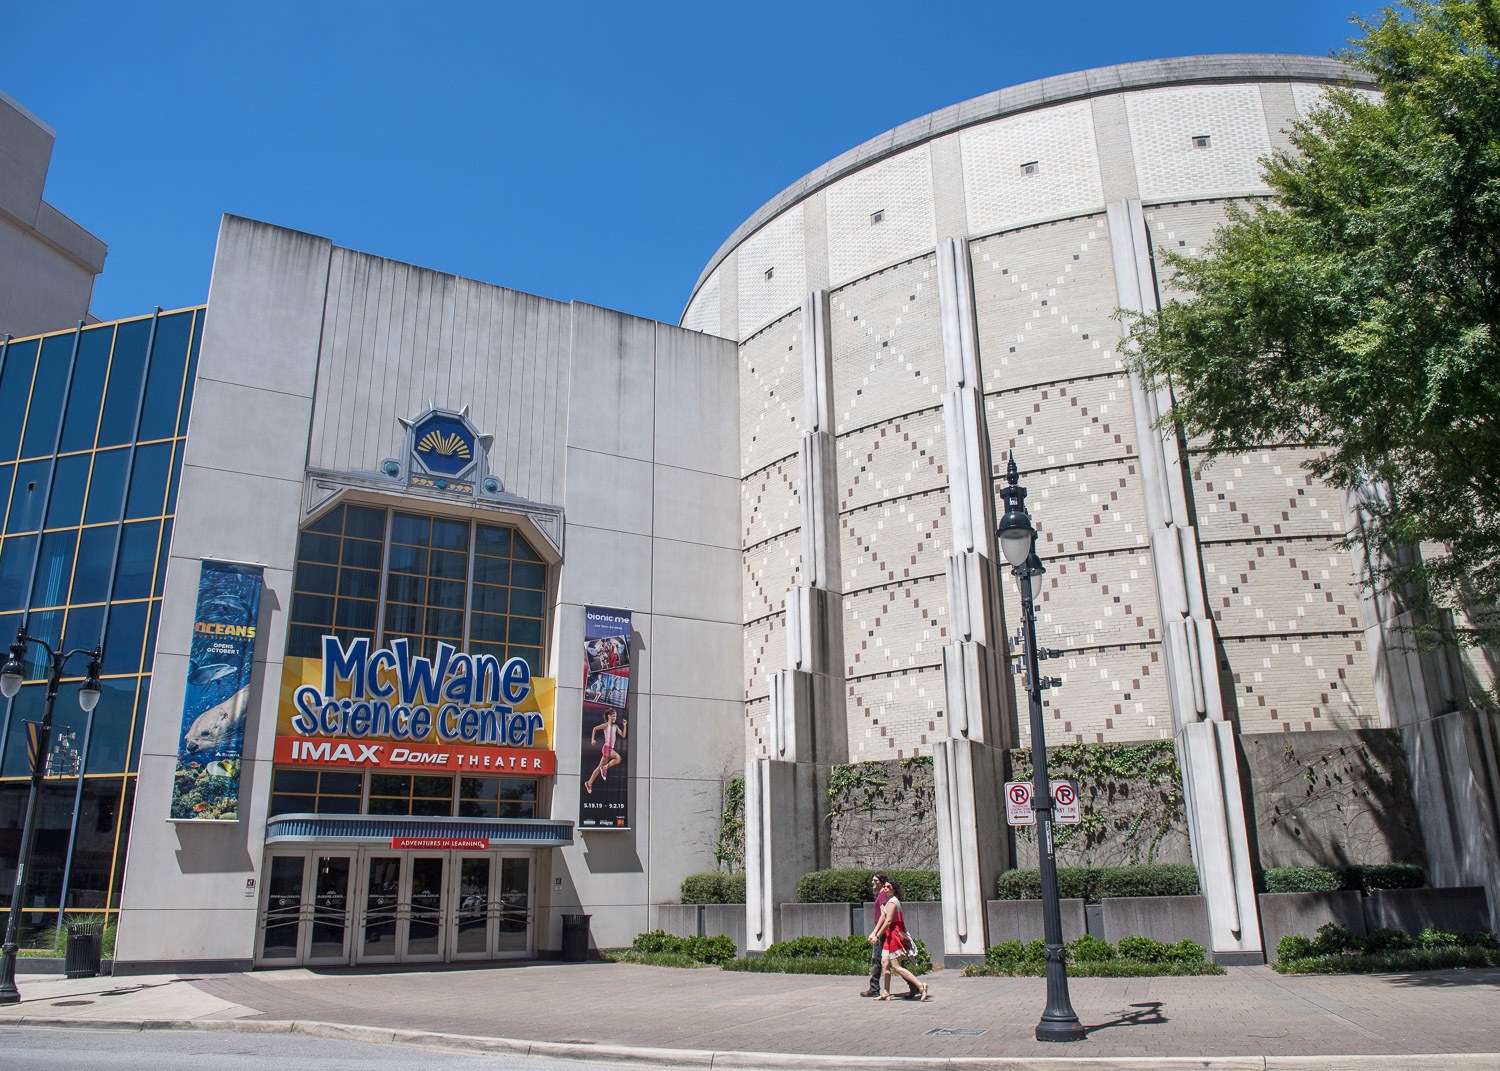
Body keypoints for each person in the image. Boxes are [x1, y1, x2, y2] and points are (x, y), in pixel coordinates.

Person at [863, 872, 922, 1000]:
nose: (873, 883)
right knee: (885, 962)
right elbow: (883, 916)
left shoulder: (886, 897)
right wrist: (875, 932)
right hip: (885, 933)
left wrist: (877, 934)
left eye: (876, 881)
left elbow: (885, 918)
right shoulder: (884, 895)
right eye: (872, 881)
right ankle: (885, 991)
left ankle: (916, 985)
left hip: (889, 934)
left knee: (889, 963)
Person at [584, 710, 626, 794]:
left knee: (599, 768)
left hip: (610, 748)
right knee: (618, 758)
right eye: (613, 716)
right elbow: (595, 728)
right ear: (609, 716)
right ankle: (604, 768)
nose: (615, 718)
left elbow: (623, 735)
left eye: (615, 716)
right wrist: (593, 739)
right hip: (607, 748)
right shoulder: (606, 725)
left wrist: (624, 725)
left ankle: (589, 783)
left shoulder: (616, 727)